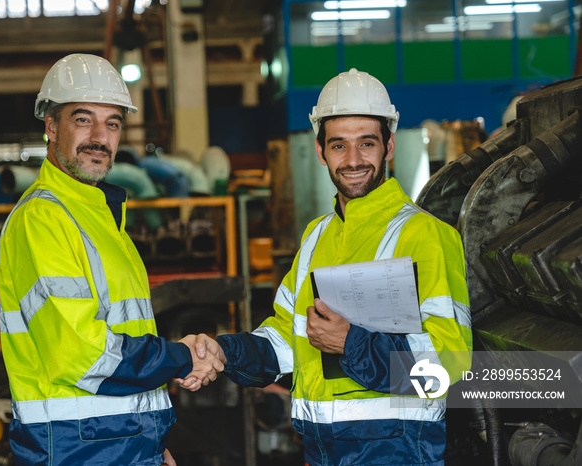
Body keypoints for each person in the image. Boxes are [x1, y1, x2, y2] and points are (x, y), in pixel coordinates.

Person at [180, 68, 473, 465]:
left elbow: (448, 366)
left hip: (396, 450)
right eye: (338, 146)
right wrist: (225, 352)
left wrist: (350, 343)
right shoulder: (317, 236)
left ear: (388, 147)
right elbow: (287, 338)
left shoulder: (426, 235)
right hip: (322, 450)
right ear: (320, 152)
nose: (353, 160)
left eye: (366, 144)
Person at [0, 53, 222, 466]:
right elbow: (83, 356)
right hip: (77, 450)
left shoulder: (102, 218)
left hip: (118, 445)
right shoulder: (42, 219)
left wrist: (150, 442)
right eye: (83, 120)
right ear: (51, 126)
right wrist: (181, 356)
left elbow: (122, 337)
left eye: (113, 123)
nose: (100, 136)